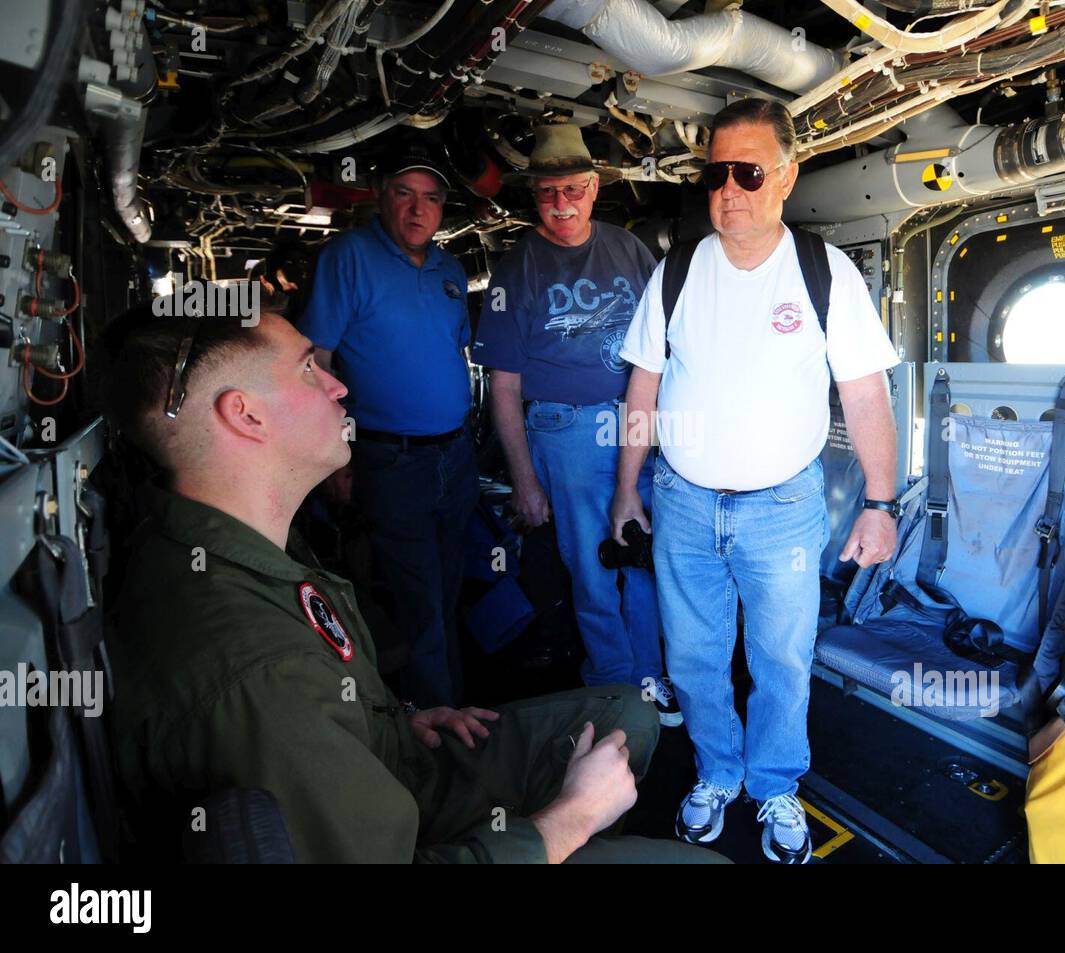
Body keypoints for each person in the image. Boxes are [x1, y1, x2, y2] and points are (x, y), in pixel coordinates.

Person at [103, 303, 725, 864]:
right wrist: (568, 821)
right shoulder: (255, 670)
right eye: (308, 371)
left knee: (631, 714)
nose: (338, 384)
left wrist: (389, 725)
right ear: (244, 415)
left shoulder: (225, 543)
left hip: (390, 770)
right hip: (402, 835)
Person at [612, 99, 901, 863]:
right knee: (695, 660)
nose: (728, 190)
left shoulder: (822, 273)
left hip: (783, 508)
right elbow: (642, 390)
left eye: (747, 172)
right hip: (681, 502)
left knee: (781, 659)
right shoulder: (675, 274)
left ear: (784, 176)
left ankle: (774, 784)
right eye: (716, 174)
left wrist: (880, 502)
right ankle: (717, 771)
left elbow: (867, 394)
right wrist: (624, 490)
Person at [473, 124, 678, 724]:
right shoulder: (517, 267)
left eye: (573, 189)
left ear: (594, 189)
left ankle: (649, 679)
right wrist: (524, 482)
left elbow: (660, 345)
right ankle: (613, 685)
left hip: (640, 423)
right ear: (533, 196)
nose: (561, 204)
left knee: (644, 557)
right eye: (547, 193)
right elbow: (504, 386)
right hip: (565, 432)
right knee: (592, 569)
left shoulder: (629, 247)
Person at [298, 146, 475, 708]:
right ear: (381, 197)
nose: (417, 210)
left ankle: (455, 701)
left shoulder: (450, 268)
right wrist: (335, 457)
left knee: (449, 588)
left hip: (456, 456)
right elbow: (316, 362)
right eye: (404, 194)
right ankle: (437, 726)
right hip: (390, 459)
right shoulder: (349, 257)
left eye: (430, 198)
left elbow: (454, 351)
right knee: (417, 597)